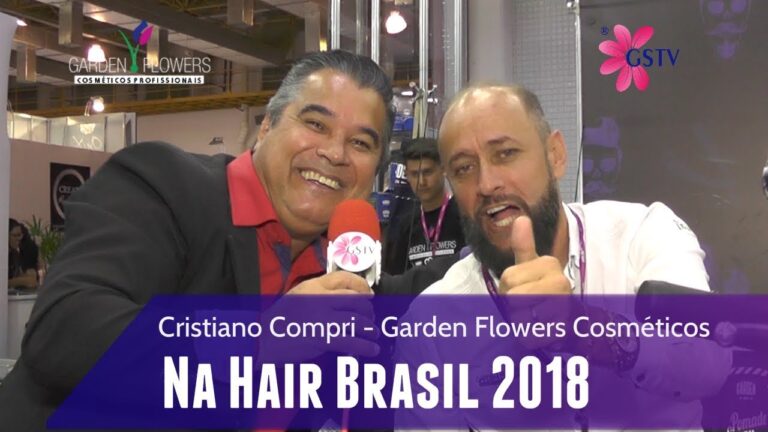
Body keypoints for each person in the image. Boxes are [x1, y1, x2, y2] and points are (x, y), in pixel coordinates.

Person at [0, 50, 444, 432]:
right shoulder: (164, 184)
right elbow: (65, 330)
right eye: (315, 123)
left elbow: (425, 288)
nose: (334, 152)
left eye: (361, 143)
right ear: (266, 127)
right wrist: (259, 342)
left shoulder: (338, 266)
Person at [395, 84, 732, 430]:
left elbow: (710, 364)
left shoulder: (642, 233)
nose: (486, 183)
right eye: (464, 168)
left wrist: (581, 327)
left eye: (506, 153)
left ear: (555, 155)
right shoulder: (431, 324)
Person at [384, 138, 465, 274]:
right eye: (415, 174)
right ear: (407, 175)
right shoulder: (405, 227)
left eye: (427, 172)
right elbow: (395, 278)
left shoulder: (463, 216)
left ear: (443, 169)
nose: (421, 182)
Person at [7, 218, 37, 290]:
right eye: (15, 235)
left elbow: (18, 274)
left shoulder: (15, 254)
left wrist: (27, 275)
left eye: (20, 235)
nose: (19, 238)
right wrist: (20, 281)